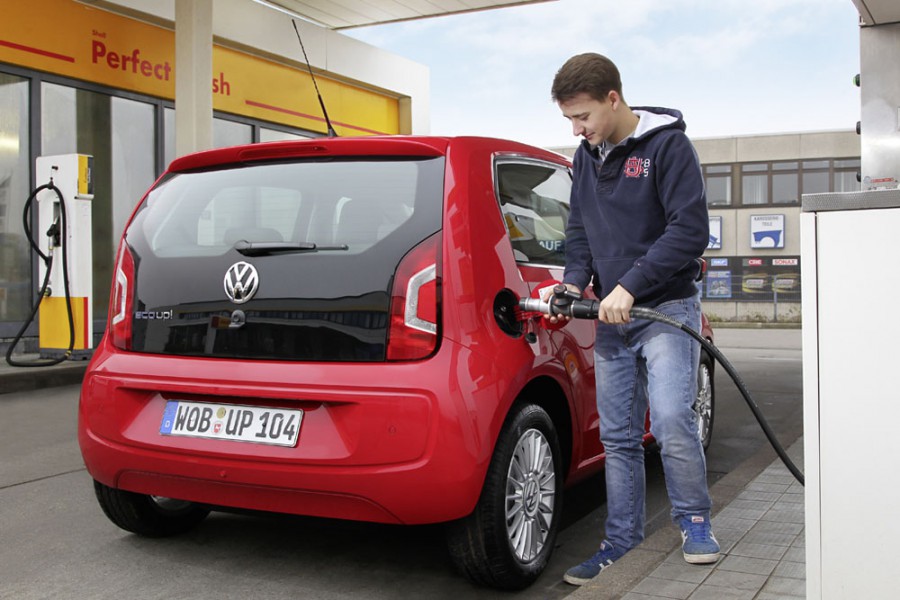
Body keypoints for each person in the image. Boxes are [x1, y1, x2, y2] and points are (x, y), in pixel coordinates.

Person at [548, 53, 719, 586]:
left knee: (669, 420)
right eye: (569, 120)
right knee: (618, 436)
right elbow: (580, 231)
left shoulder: (668, 147)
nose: (576, 130)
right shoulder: (586, 157)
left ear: (613, 99)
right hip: (612, 317)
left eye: (582, 116)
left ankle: (694, 521)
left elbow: (689, 230)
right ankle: (622, 541)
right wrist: (573, 282)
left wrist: (630, 285)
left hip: (665, 307)